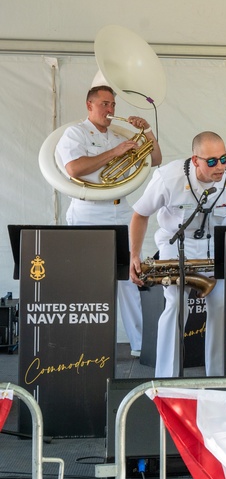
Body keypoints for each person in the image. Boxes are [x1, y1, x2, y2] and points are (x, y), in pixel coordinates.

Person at [129, 131, 226, 377]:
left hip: (219, 244)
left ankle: (219, 377)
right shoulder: (168, 177)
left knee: (222, 304)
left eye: (224, 158)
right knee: (177, 303)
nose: (220, 166)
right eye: (211, 161)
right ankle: (167, 378)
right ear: (195, 160)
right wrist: (134, 255)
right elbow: (140, 214)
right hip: (176, 242)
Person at [55, 84, 162, 357]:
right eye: (104, 104)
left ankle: (140, 346)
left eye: (113, 104)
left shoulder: (118, 135)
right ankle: (87, 347)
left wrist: (147, 131)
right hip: (88, 210)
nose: (111, 109)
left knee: (131, 276)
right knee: (89, 279)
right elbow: (74, 168)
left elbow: (156, 159)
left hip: (122, 210)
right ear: (89, 106)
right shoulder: (75, 133)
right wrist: (114, 154)